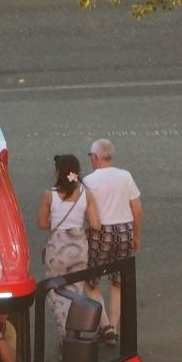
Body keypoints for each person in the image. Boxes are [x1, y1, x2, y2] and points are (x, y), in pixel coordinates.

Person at [81, 138, 143, 342]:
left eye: (90, 156)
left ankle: (105, 324)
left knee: (91, 281)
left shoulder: (89, 181)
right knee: (118, 282)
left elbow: (85, 213)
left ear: (96, 157)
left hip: (100, 233)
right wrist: (136, 235)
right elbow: (137, 209)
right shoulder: (125, 176)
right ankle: (114, 328)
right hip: (125, 230)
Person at [36, 153, 100, 330]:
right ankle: (73, 329)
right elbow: (95, 224)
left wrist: (56, 223)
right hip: (78, 248)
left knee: (57, 292)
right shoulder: (85, 194)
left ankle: (65, 331)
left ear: (58, 172)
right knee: (75, 291)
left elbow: (41, 223)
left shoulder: (49, 195)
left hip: (57, 250)